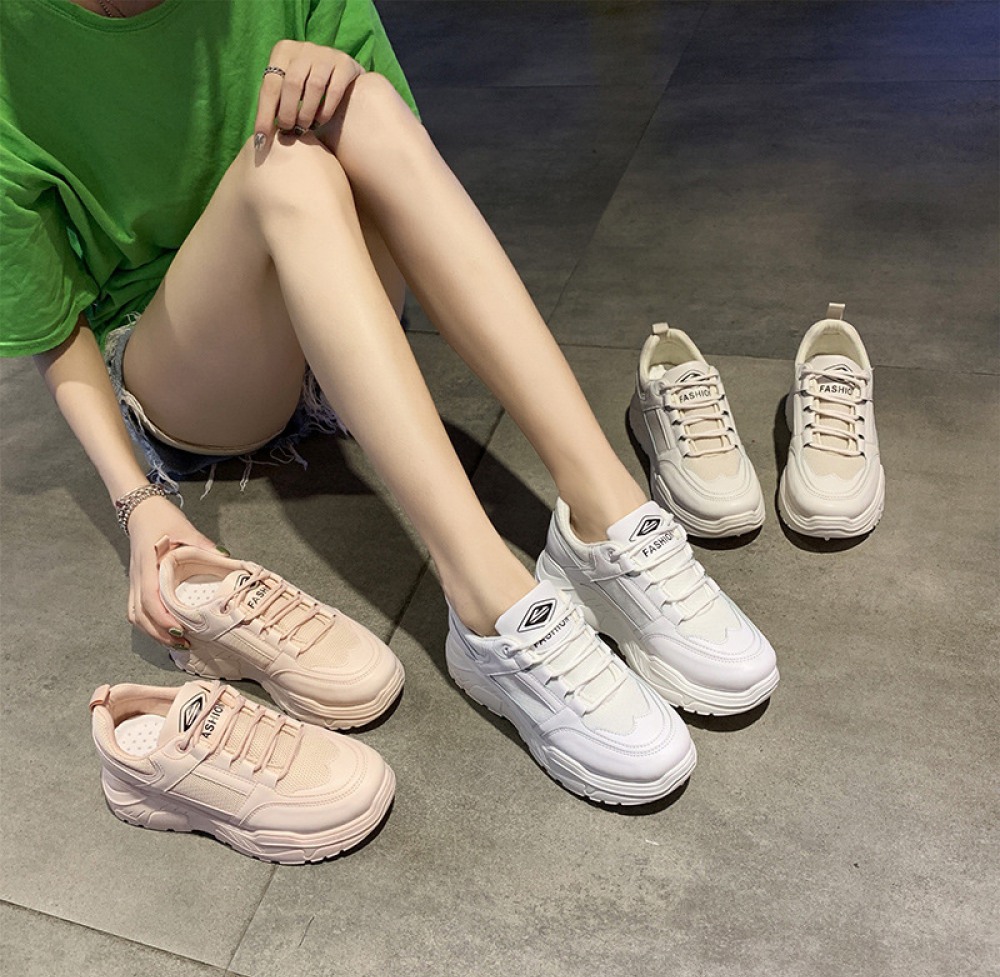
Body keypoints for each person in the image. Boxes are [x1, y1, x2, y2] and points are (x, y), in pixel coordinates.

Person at [1, 0, 776, 805]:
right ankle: (486, 600)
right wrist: (136, 502)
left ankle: (603, 513)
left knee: (363, 101)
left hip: (336, 303)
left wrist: (337, 78)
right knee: (288, 168)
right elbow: (51, 327)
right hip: (196, 368)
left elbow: (399, 176)